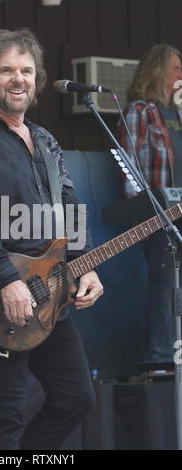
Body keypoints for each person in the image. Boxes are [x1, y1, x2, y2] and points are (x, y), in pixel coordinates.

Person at [0, 28, 103, 450]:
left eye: (26, 70)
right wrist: (7, 278)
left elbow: (69, 206)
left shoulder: (45, 140)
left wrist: (88, 265)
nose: (18, 78)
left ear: (37, 79)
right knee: (6, 408)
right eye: (6, 69)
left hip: (50, 291)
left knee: (76, 398)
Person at [118, 43, 182, 363]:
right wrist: (146, 211)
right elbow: (130, 170)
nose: (181, 74)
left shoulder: (179, 114)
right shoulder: (140, 112)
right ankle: (160, 357)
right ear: (157, 71)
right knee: (166, 283)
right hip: (158, 215)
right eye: (176, 67)